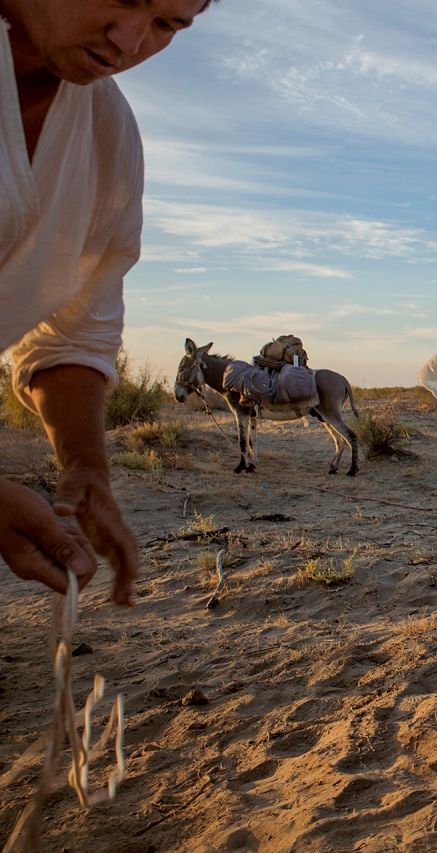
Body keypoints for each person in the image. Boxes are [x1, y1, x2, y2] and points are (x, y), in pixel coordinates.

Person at [0, 0, 214, 605]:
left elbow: (73, 332)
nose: (128, 40)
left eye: (168, 25)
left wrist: (86, 466)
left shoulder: (106, 134)